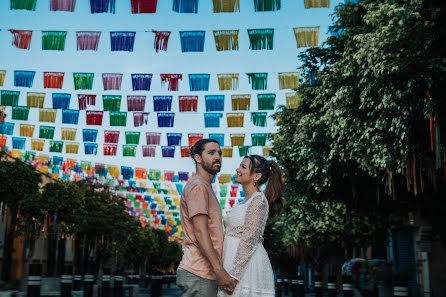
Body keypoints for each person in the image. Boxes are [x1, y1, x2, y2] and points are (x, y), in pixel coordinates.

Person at [176, 139, 238, 297]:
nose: (217, 157)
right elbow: (200, 231)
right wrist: (220, 271)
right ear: (198, 158)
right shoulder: (198, 186)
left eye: (219, 153)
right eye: (211, 153)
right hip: (199, 272)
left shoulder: (205, 187)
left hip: (203, 273)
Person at [218, 155, 284, 297]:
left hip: (246, 269)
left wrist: (234, 276)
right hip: (233, 263)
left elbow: (249, 239)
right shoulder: (244, 202)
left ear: (256, 176)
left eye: (243, 167)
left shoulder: (258, 200)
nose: (237, 169)